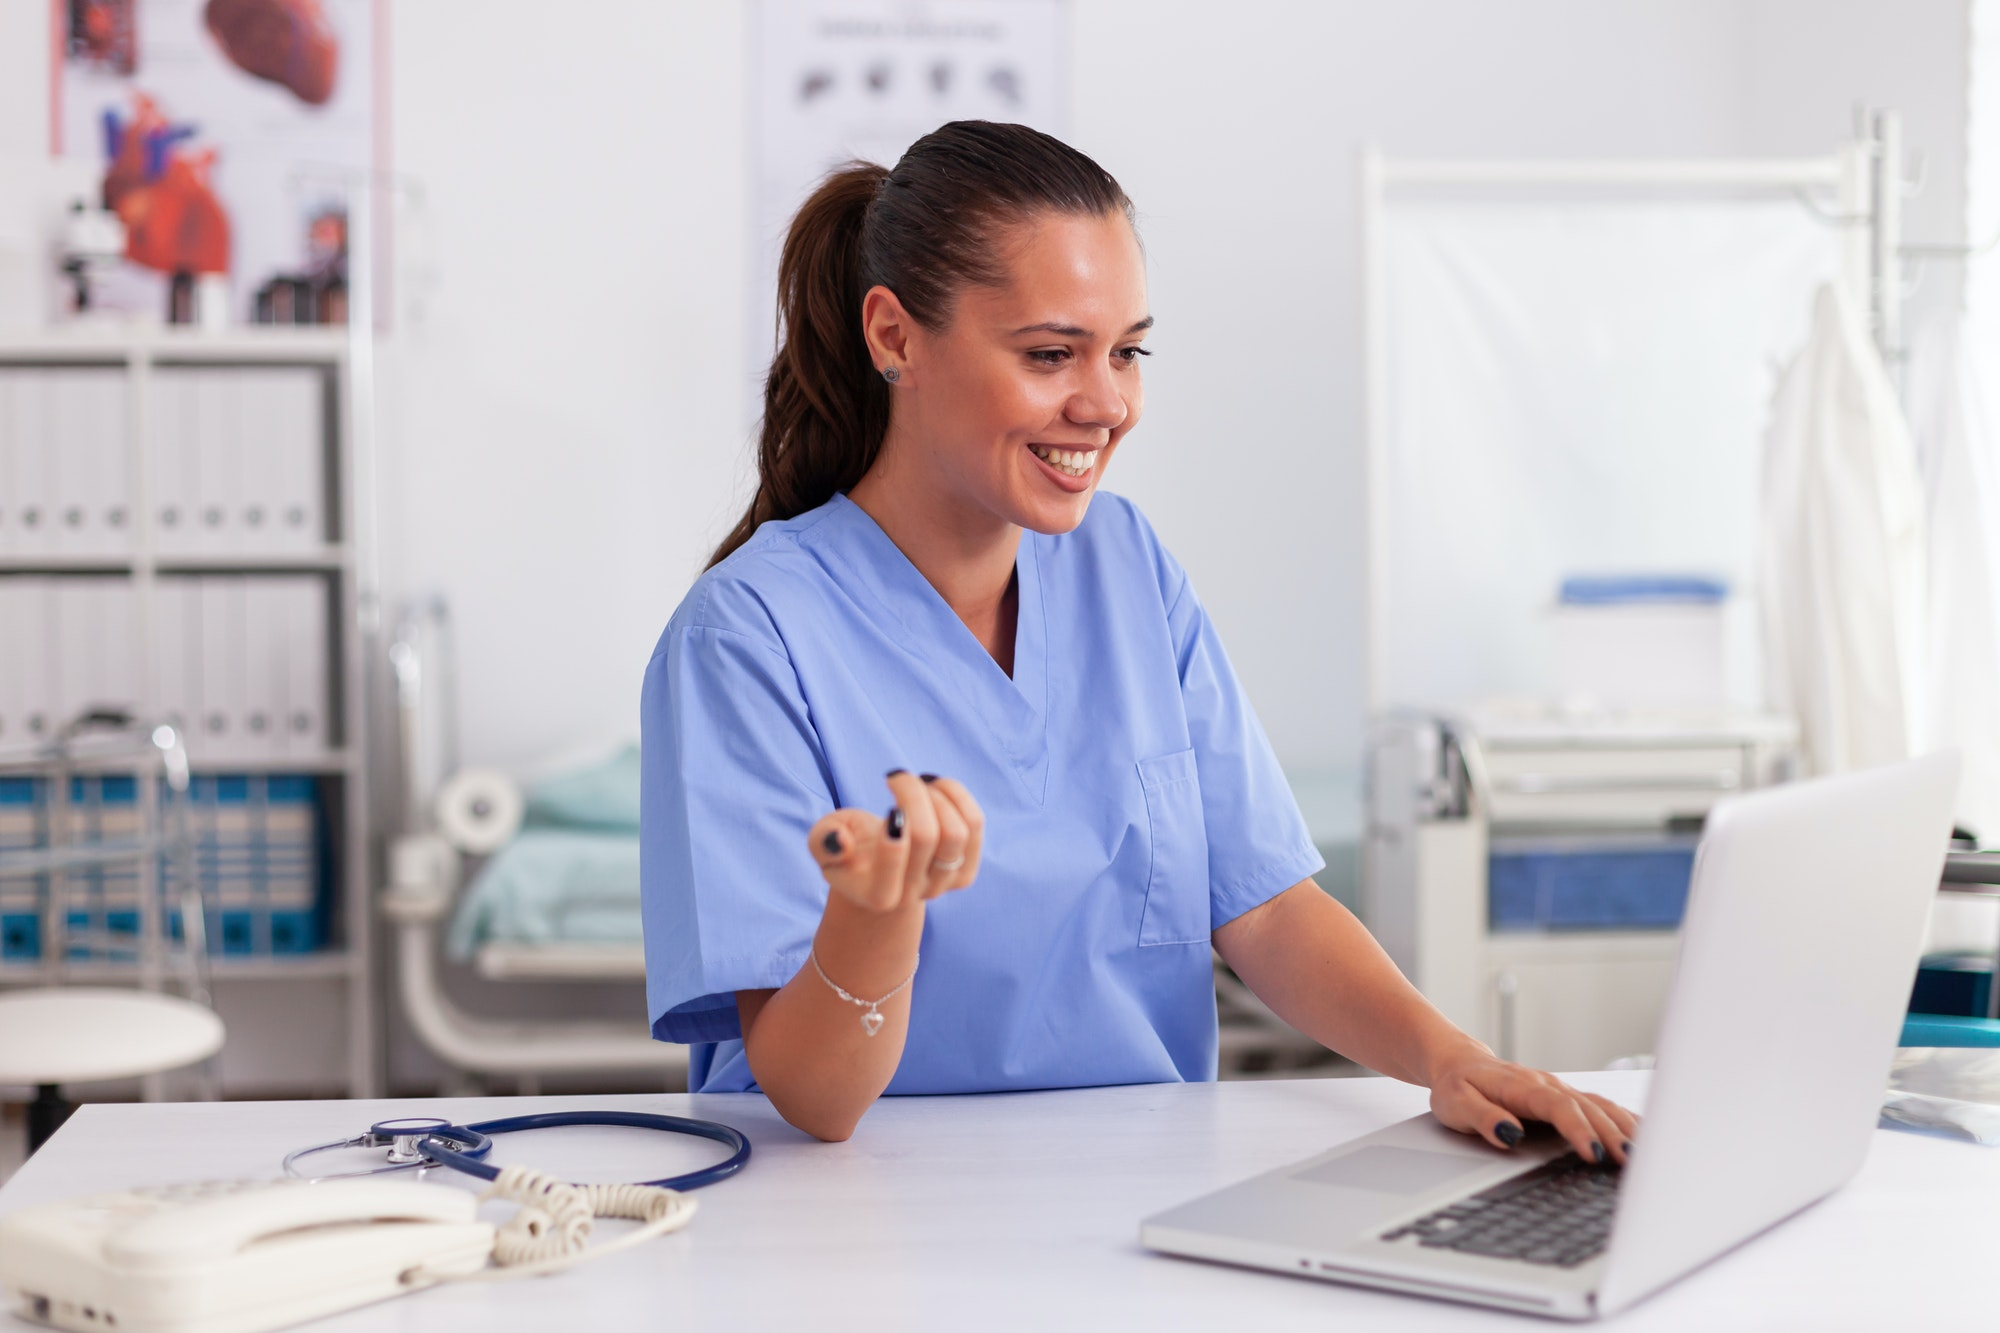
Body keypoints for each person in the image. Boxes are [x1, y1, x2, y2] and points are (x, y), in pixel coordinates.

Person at [641, 120, 1637, 1159]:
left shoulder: (1126, 565)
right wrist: (877, 919)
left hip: (1143, 1191)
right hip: (859, 1217)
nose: (1106, 404)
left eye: (1127, 351)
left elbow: (1265, 910)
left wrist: (1447, 1057)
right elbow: (814, 1096)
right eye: (1048, 355)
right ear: (893, 337)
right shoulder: (745, 635)